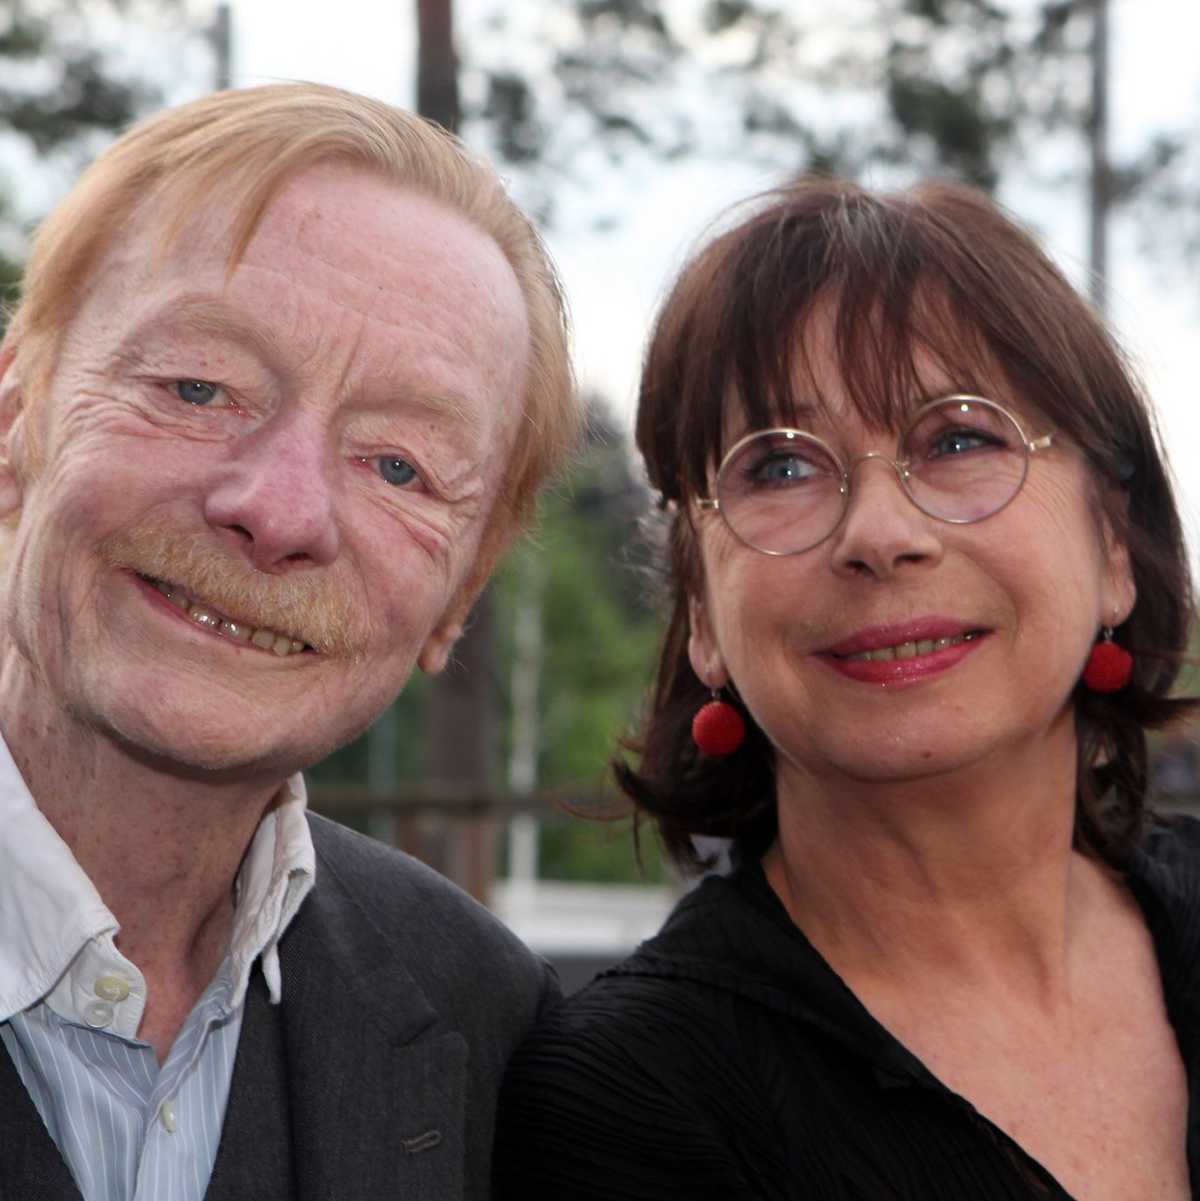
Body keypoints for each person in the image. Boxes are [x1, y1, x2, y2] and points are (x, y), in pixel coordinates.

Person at [493, 178, 1200, 1200]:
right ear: (700, 608)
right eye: (779, 467)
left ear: (1113, 548)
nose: (878, 534)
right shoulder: (632, 1099)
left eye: (959, 439)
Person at [0, 82, 578, 1201]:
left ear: (461, 594)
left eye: (400, 464)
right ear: (16, 420)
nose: (281, 511)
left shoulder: (486, 1021)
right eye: (200, 386)